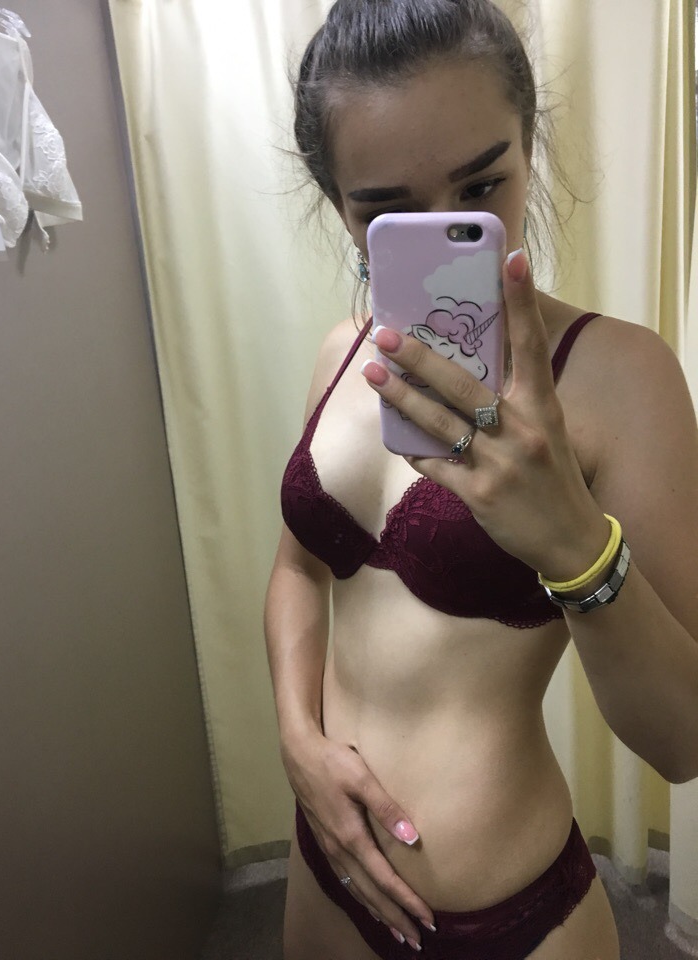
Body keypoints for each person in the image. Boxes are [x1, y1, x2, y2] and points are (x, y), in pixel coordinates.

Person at [263, 2, 698, 958]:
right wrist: (298, 739)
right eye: (385, 209)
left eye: (480, 184)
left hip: (509, 915)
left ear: (530, 149)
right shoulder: (343, 354)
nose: (444, 230)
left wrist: (573, 542)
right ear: (339, 205)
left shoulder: (623, 378)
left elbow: (683, 737)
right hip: (326, 863)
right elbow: (297, 570)